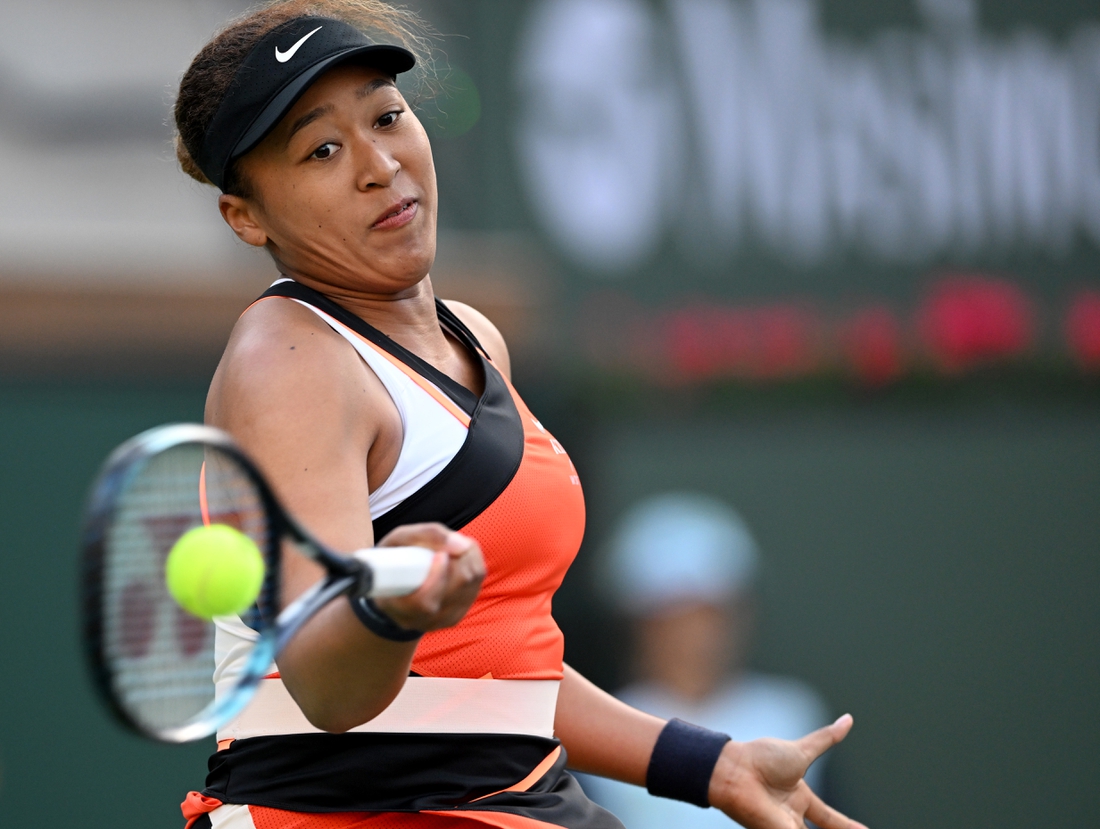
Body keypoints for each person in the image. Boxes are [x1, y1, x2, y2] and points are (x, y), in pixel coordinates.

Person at [170, 2, 867, 828]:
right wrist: (387, 608)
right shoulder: (288, 359)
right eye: (322, 149)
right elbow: (326, 686)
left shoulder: (475, 340)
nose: (379, 164)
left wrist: (707, 764)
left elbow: (500, 669)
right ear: (246, 215)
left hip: (515, 798)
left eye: (388, 118)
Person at [581, 493, 834, 828]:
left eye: (713, 614)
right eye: (675, 617)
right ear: (639, 625)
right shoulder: (595, 728)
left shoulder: (795, 713)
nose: (699, 636)